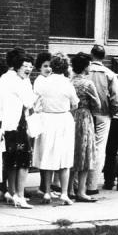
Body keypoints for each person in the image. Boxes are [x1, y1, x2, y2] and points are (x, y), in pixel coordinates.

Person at [32, 53, 78, 204]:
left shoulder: (43, 82)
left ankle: (46, 192)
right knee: (64, 157)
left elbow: (36, 101)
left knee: (47, 154)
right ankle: (64, 193)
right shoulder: (67, 83)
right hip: (63, 119)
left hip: (47, 119)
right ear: (65, 67)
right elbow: (75, 103)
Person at [1, 50, 35, 207]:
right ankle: (20, 196)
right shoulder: (19, 81)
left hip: (8, 125)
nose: (28, 69)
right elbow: (29, 101)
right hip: (17, 125)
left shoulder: (6, 78)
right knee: (23, 161)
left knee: (11, 160)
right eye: (25, 66)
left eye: (30, 66)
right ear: (17, 66)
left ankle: (12, 192)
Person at [86, 45, 118, 195]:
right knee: (99, 149)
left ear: (91, 55)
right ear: (103, 57)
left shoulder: (83, 71)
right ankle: (92, 185)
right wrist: (112, 112)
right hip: (103, 114)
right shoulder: (110, 74)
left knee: (84, 146)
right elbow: (116, 98)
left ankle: (78, 183)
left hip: (84, 112)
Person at [69, 53, 101, 202]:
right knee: (85, 154)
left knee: (71, 153)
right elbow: (97, 105)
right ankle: (81, 190)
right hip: (84, 117)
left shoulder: (69, 82)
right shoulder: (88, 84)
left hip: (69, 117)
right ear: (85, 66)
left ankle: (69, 188)